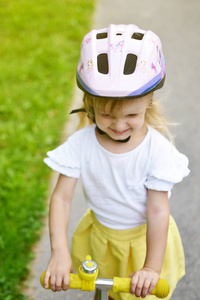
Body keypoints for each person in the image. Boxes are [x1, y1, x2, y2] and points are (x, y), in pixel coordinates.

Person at [43, 24, 190, 299]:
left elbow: (158, 211)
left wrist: (150, 268)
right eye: (107, 115)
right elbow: (62, 198)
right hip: (102, 240)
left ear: (149, 103)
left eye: (131, 115)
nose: (119, 126)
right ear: (89, 104)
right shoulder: (82, 144)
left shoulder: (155, 151)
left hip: (146, 244)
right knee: (110, 293)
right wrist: (59, 252)